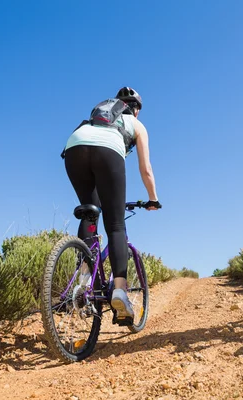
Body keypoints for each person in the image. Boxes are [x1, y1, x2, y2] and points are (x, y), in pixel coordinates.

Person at [62, 87, 161, 321]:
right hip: (107, 150)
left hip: (74, 146)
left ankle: (83, 285)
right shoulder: (136, 124)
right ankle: (120, 291)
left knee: (90, 214)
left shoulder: (95, 119)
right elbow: (145, 169)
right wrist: (153, 199)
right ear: (135, 111)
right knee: (115, 225)